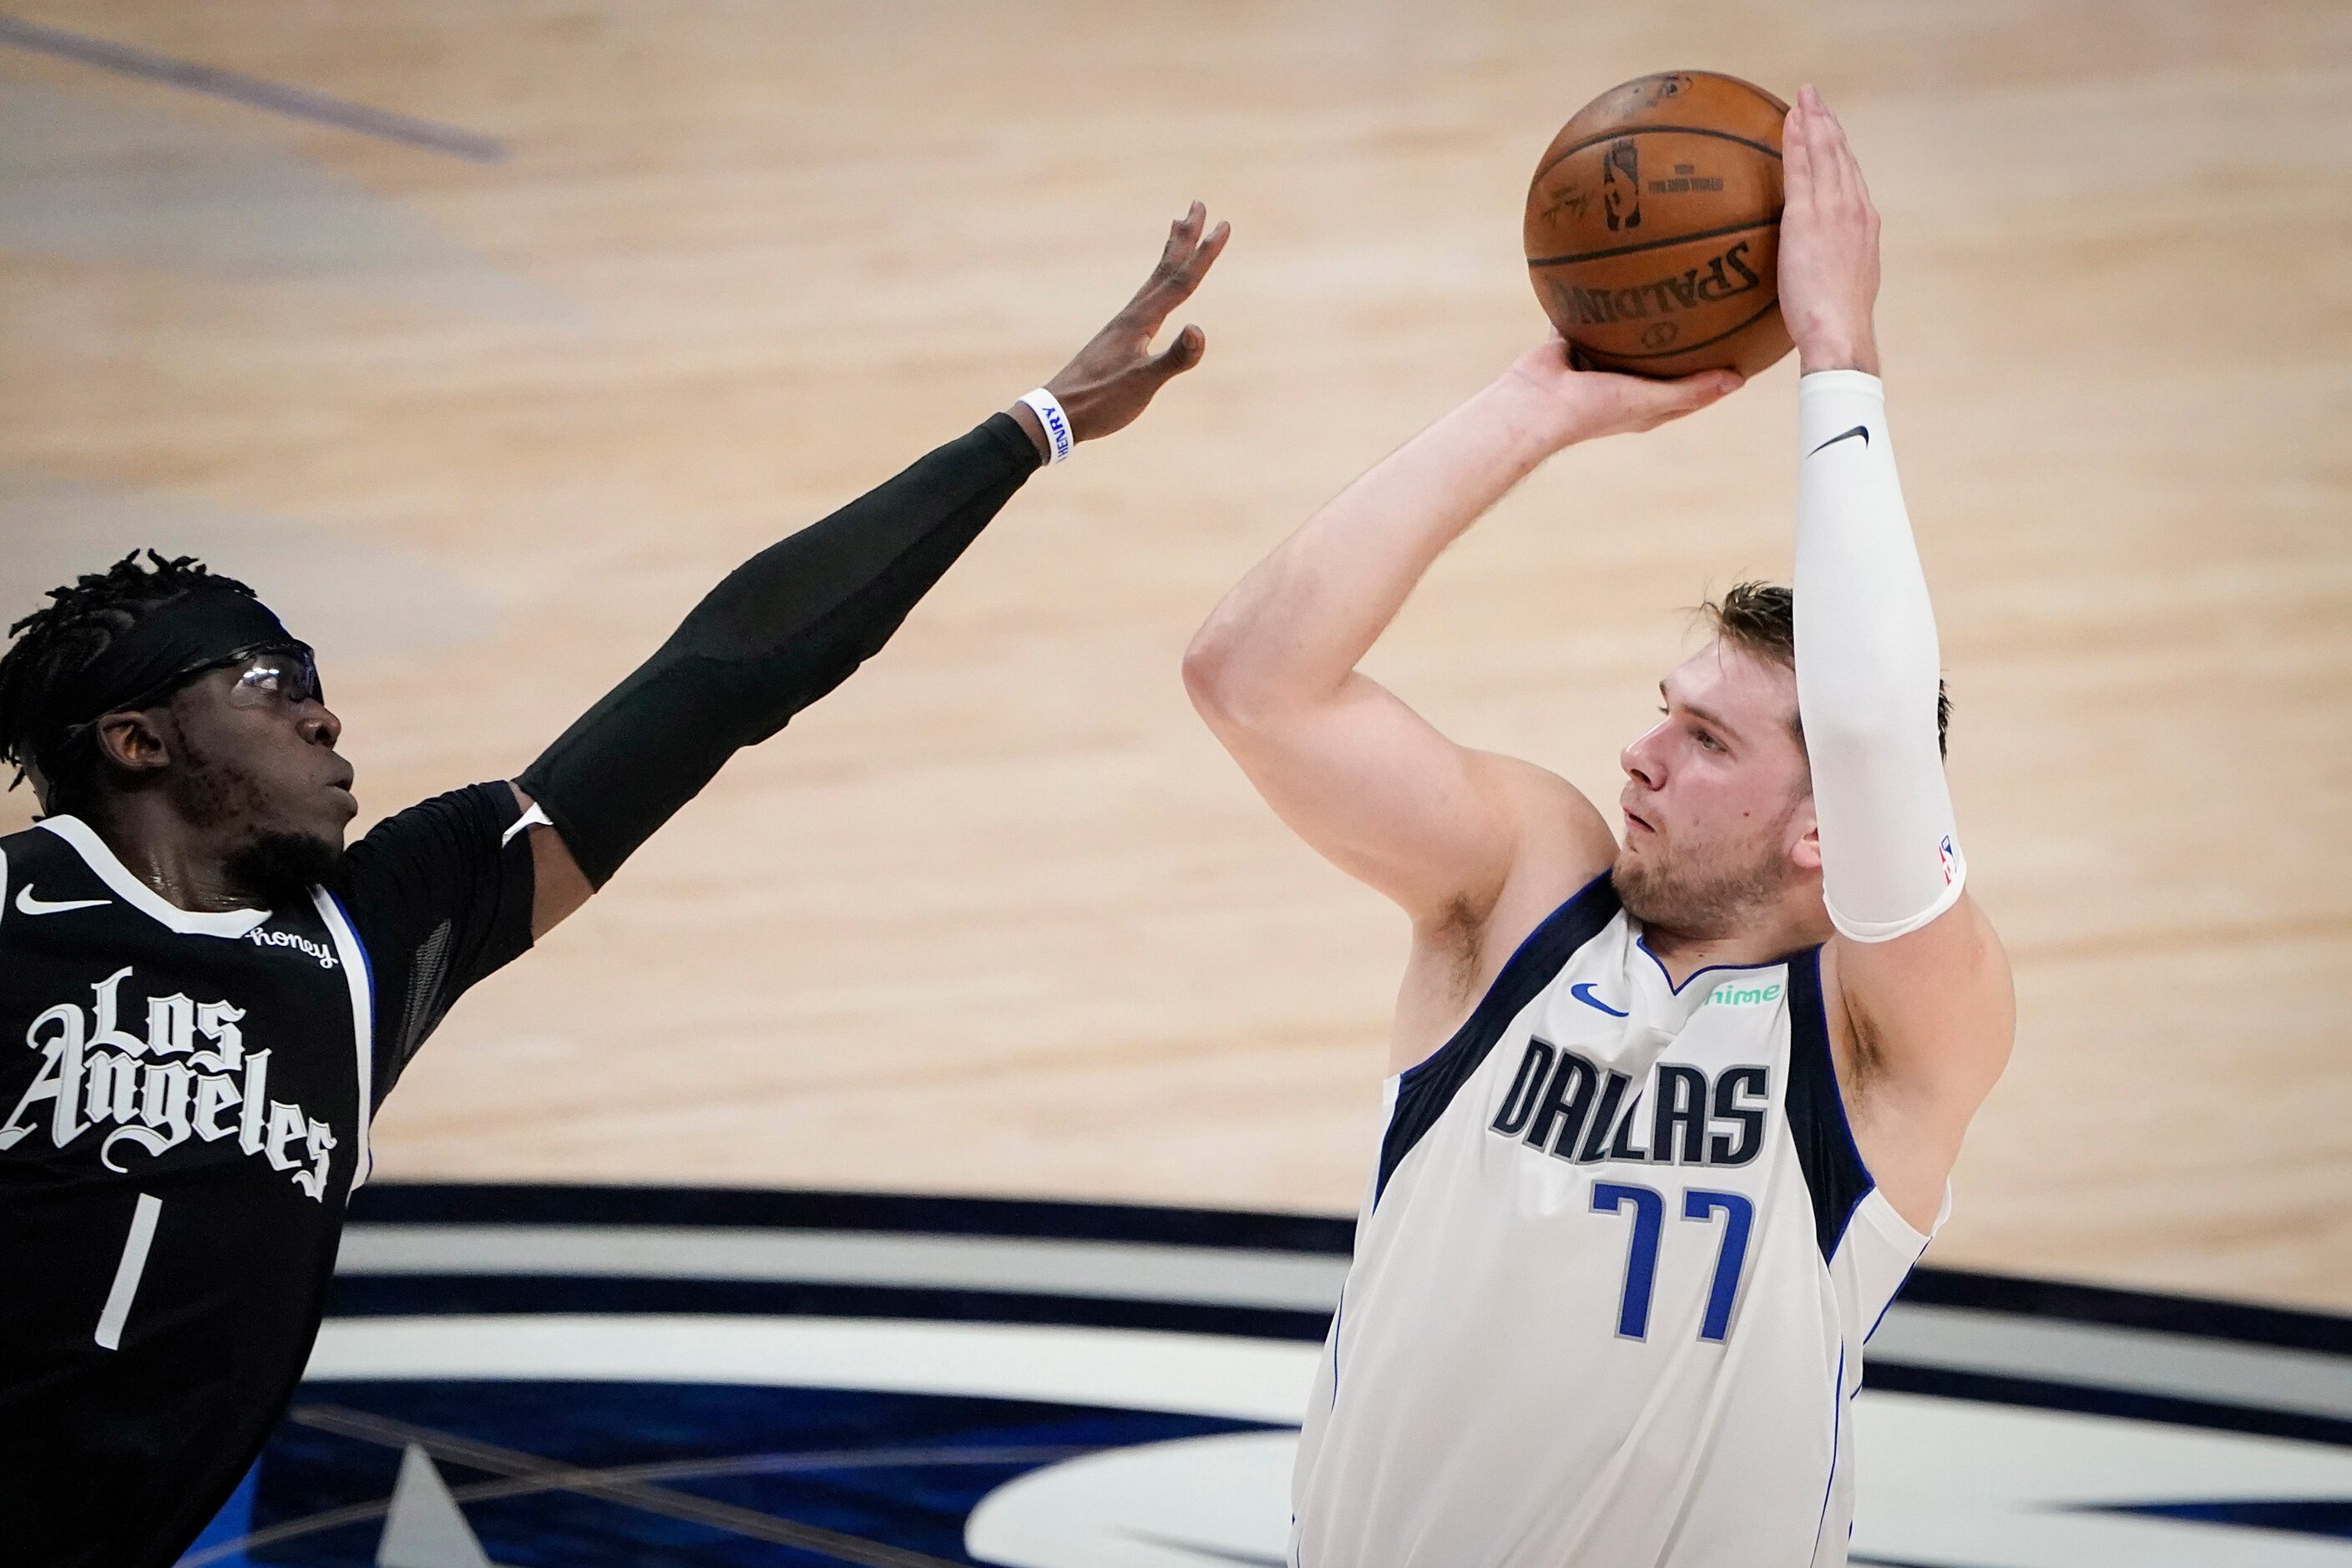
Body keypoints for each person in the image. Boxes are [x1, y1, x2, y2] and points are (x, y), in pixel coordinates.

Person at [0, 204, 1227, 1568]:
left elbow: (720, 680)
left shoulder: (368, 939)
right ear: (135, 739)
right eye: (276, 684)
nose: (327, 720)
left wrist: (1032, 425)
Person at [1185, 91, 2011, 1566]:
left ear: (1823, 828)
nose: (1637, 751)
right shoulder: (1522, 890)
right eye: (1660, 708)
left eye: (1703, 740)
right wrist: (1533, 407)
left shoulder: (1883, 1035)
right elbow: (1248, 679)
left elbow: (1878, 732)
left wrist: (1839, 357)